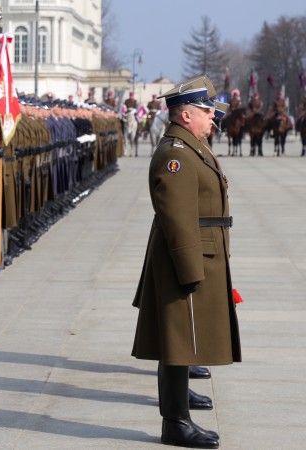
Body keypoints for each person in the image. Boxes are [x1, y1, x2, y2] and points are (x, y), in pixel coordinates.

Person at [132, 75, 241, 449]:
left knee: (180, 340)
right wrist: (190, 268)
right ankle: (175, 422)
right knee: (177, 340)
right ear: (186, 114)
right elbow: (177, 217)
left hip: (202, 251)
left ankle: (178, 409)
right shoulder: (176, 154)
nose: (213, 118)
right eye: (207, 112)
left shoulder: (190, 146)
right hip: (189, 256)